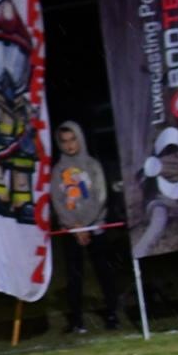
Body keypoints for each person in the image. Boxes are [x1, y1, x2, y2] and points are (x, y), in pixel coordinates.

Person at [50, 121, 121, 333]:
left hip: (95, 227)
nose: (69, 145)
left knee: (103, 271)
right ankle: (76, 320)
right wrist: (74, 226)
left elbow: (100, 197)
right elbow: (57, 201)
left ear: (80, 139)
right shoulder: (58, 171)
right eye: (64, 141)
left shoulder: (92, 165)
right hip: (71, 230)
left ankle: (112, 313)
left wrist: (86, 224)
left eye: (73, 139)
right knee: (74, 275)